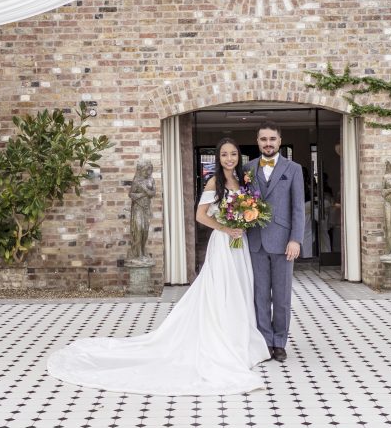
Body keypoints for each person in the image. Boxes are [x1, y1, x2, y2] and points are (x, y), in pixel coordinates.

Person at [45, 138, 270, 395]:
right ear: (218, 159)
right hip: (223, 243)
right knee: (222, 291)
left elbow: (247, 211)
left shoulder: (243, 182)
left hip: (238, 246)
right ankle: (222, 341)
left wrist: (243, 222)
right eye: (224, 155)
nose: (229, 159)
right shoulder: (213, 183)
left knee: (240, 289)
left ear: (238, 157)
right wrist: (226, 228)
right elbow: (201, 216)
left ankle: (240, 338)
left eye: (233, 154)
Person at [245, 121, 305, 363]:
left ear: (279, 141)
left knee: (281, 296)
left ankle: (279, 342)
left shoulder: (294, 169)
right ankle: (264, 342)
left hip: (283, 242)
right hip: (255, 241)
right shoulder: (247, 168)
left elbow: (298, 208)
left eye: (272, 139)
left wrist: (296, 240)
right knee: (260, 295)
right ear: (258, 141)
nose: (267, 143)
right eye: (263, 139)